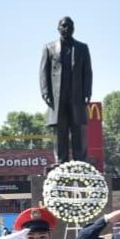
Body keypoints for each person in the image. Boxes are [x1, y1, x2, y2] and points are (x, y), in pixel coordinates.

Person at [39, 15, 93, 163]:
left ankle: (80, 160)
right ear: (58, 28)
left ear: (74, 29)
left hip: (76, 95)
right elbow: (43, 72)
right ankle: (60, 161)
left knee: (78, 128)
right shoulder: (49, 48)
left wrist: (87, 92)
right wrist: (45, 92)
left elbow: (87, 72)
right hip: (58, 96)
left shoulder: (82, 48)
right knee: (60, 129)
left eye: (70, 26)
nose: (67, 28)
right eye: (63, 25)